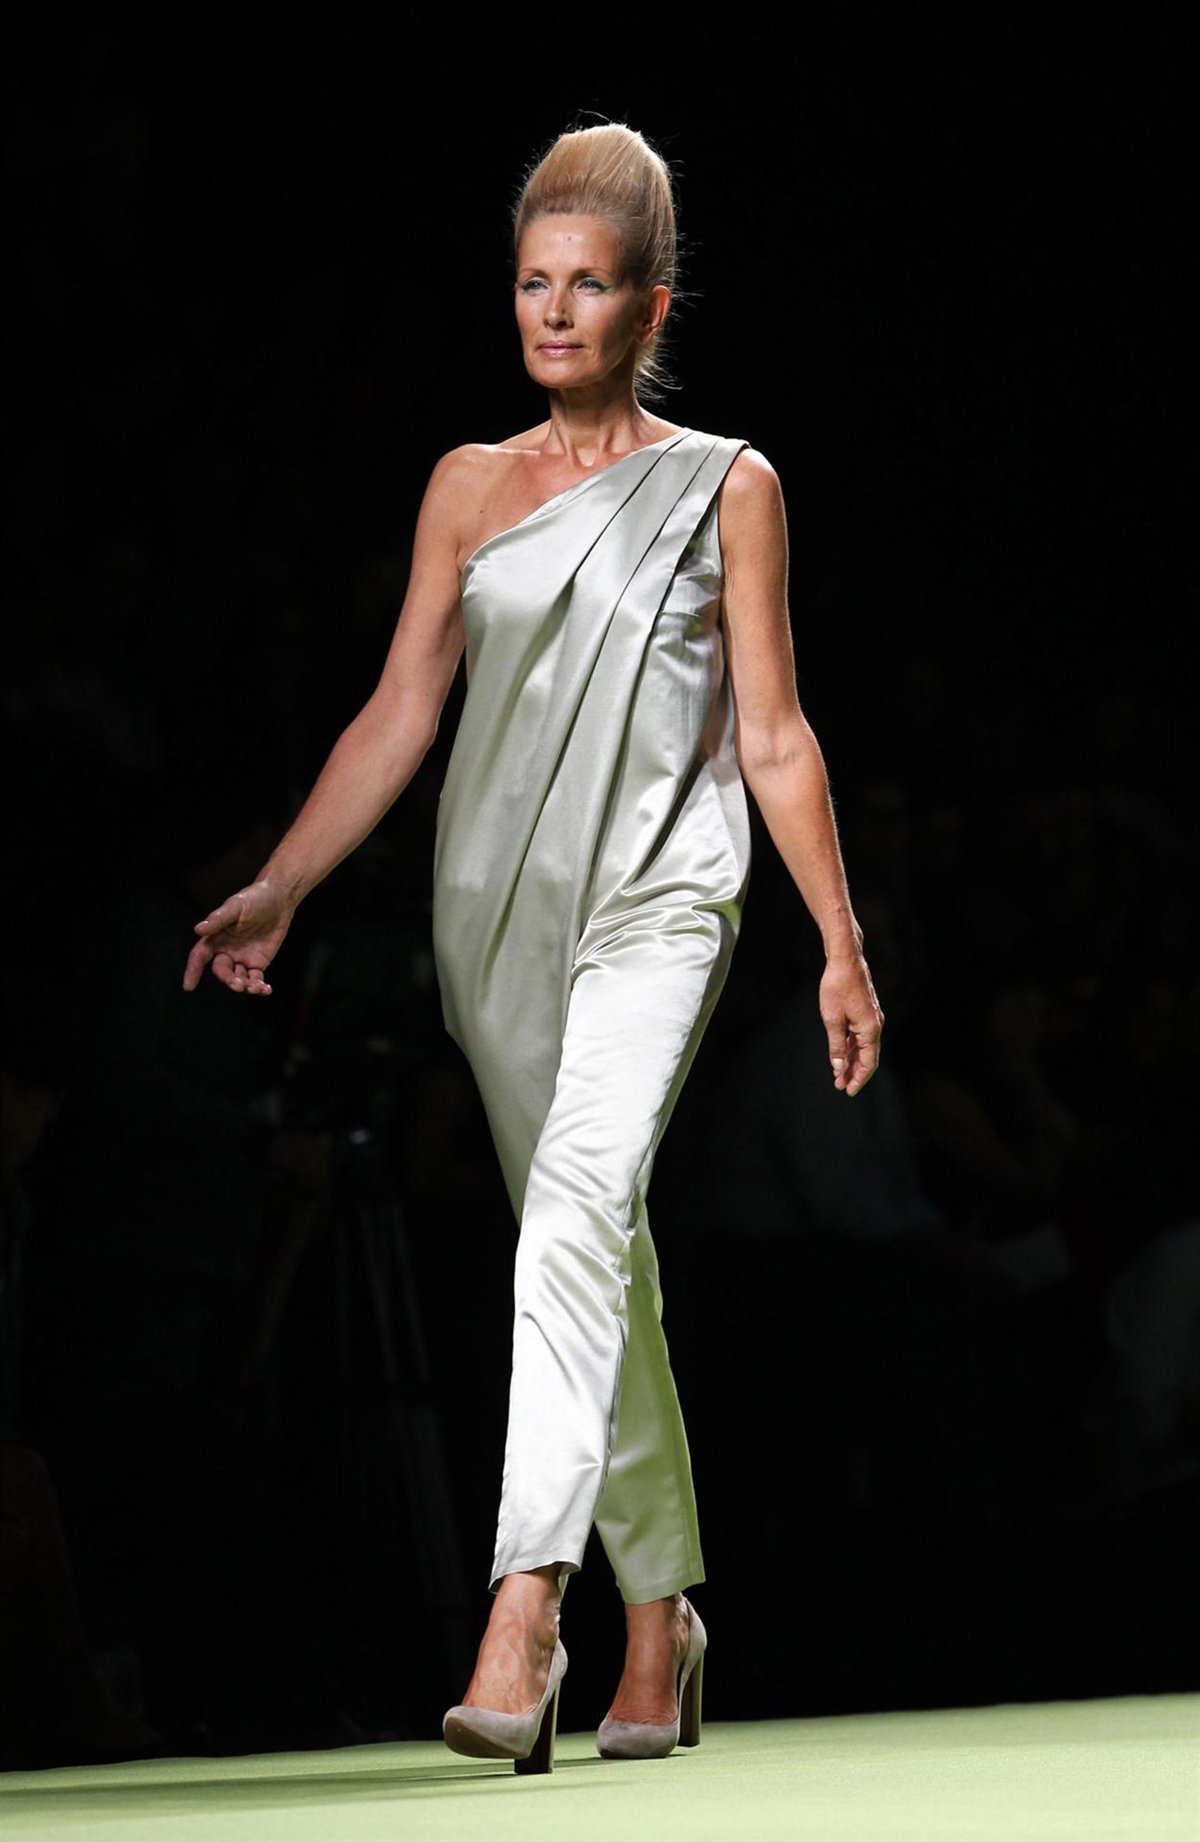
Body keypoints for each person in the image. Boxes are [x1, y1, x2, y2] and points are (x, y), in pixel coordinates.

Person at [182, 120, 883, 1771]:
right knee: (592, 1244)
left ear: (651, 304)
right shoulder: (465, 486)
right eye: (531, 284)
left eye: (588, 285)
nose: (554, 313)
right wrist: (284, 881)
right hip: (492, 908)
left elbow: (774, 734)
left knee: (571, 1211)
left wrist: (840, 941)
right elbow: (402, 708)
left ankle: (527, 1602)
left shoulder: (728, 487)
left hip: (663, 897)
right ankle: (664, 1617)